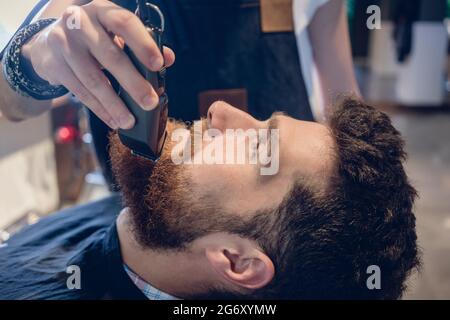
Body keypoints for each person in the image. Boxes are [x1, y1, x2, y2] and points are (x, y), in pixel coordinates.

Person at [0, 98, 420, 300]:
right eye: (260, 122)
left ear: (237, 262)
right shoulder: (145, 219)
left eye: (258, 150)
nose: (220, 111)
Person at [0, 0, 360, 186]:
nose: (220, 120)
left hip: (279, 216)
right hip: (145, 218)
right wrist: (37, 58)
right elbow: (9, 103)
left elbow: (344, 100)